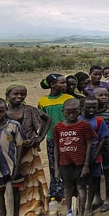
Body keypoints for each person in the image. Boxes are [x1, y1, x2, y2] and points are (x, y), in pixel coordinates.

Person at [2, 84, 51, 216]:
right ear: (8, 95)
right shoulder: (1, 111)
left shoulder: (29, 110)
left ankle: (31, 210)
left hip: (28, 151)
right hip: (9, 153)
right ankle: (14, 211)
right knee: (13, 182)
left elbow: (47, 119)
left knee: (31, 183)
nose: (19, 97)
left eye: (22, 94)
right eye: (15, 94)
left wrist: (40, 138)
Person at [52, 99, 96, 216]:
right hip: (65, 163)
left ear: (79, 111)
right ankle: (70, 215)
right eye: (68, 112)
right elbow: (56, 146)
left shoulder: (84, 125)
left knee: (81, 187)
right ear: (63, 112)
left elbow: (89, 144)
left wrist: (87, 164)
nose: (71, 115)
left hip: (80, 163)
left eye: (75, 112)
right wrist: (56, 167)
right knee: (68, 189)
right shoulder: (58, 127)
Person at [37, 74, 73, 208]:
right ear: (52, 85)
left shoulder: (69, 98)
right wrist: (40, 137)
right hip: (52, 137)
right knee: (54, 165)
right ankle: (56, 192)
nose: (65, 85)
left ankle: (67, 191)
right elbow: (42, 121)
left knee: (67, 163)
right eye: (62, 83)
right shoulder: (43, 101)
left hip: (68, 136)